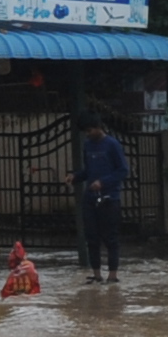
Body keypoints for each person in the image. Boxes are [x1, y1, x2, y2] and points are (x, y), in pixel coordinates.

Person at [72, 112, 130, 283]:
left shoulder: (112, 145)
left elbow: (122, 170)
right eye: (85, 132)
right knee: (91, 237)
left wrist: (103, 182)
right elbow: (88, 171)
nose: (87, 134)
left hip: (109, 198)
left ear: (98, 127)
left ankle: (113, 275)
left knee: (110, 237)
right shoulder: (87, 145)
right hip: (90, 198)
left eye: (89, 130)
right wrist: (75, 177)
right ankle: (96, 274)